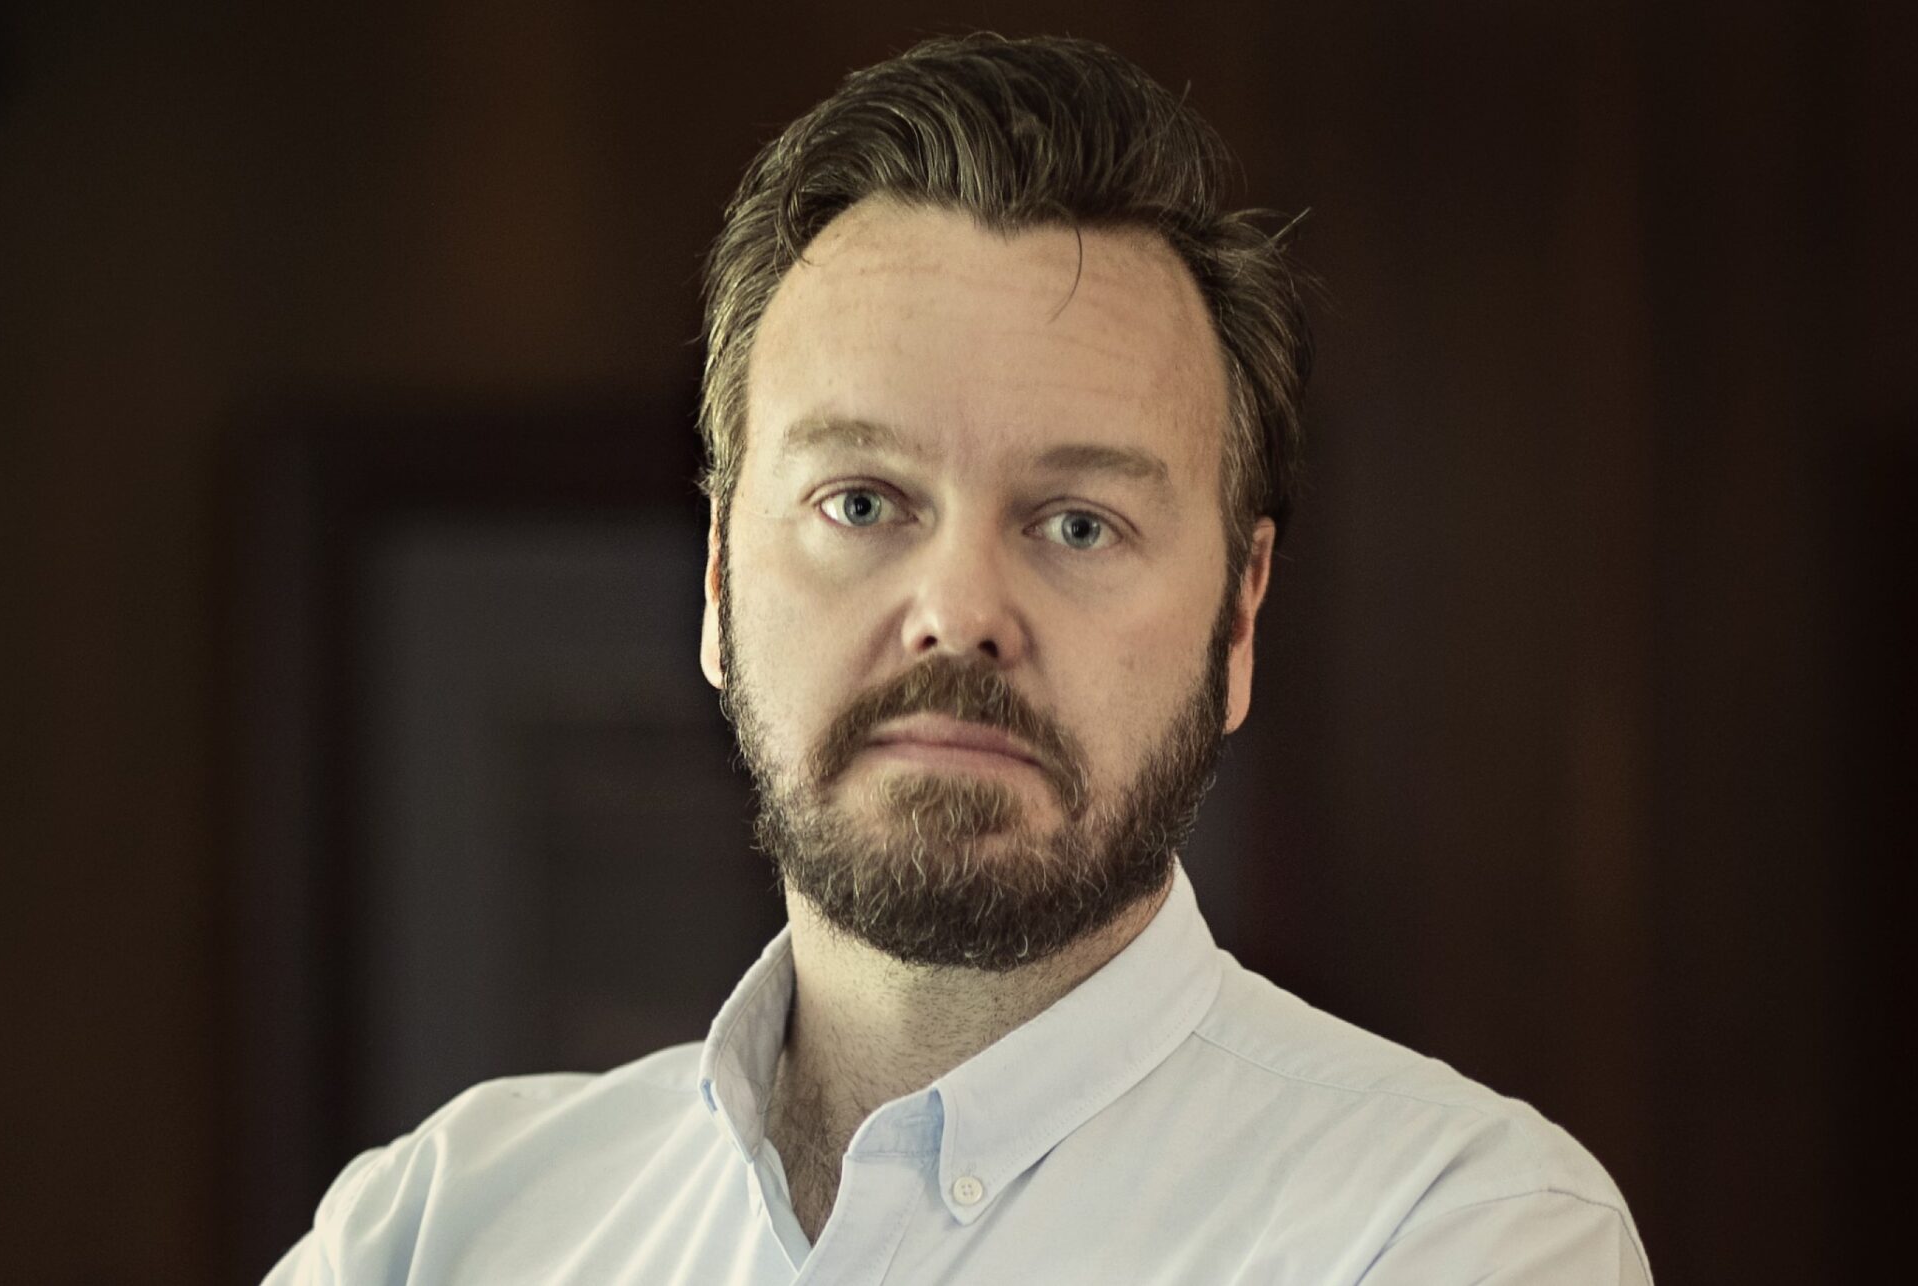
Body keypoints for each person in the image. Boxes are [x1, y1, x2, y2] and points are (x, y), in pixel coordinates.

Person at [265, 33, 1649, 1285]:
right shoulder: (435, 1228)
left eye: (1078, 522)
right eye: (863, 502)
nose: (961, 610)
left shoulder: (1460, 1230)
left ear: (1239, 619)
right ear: (719, 579)